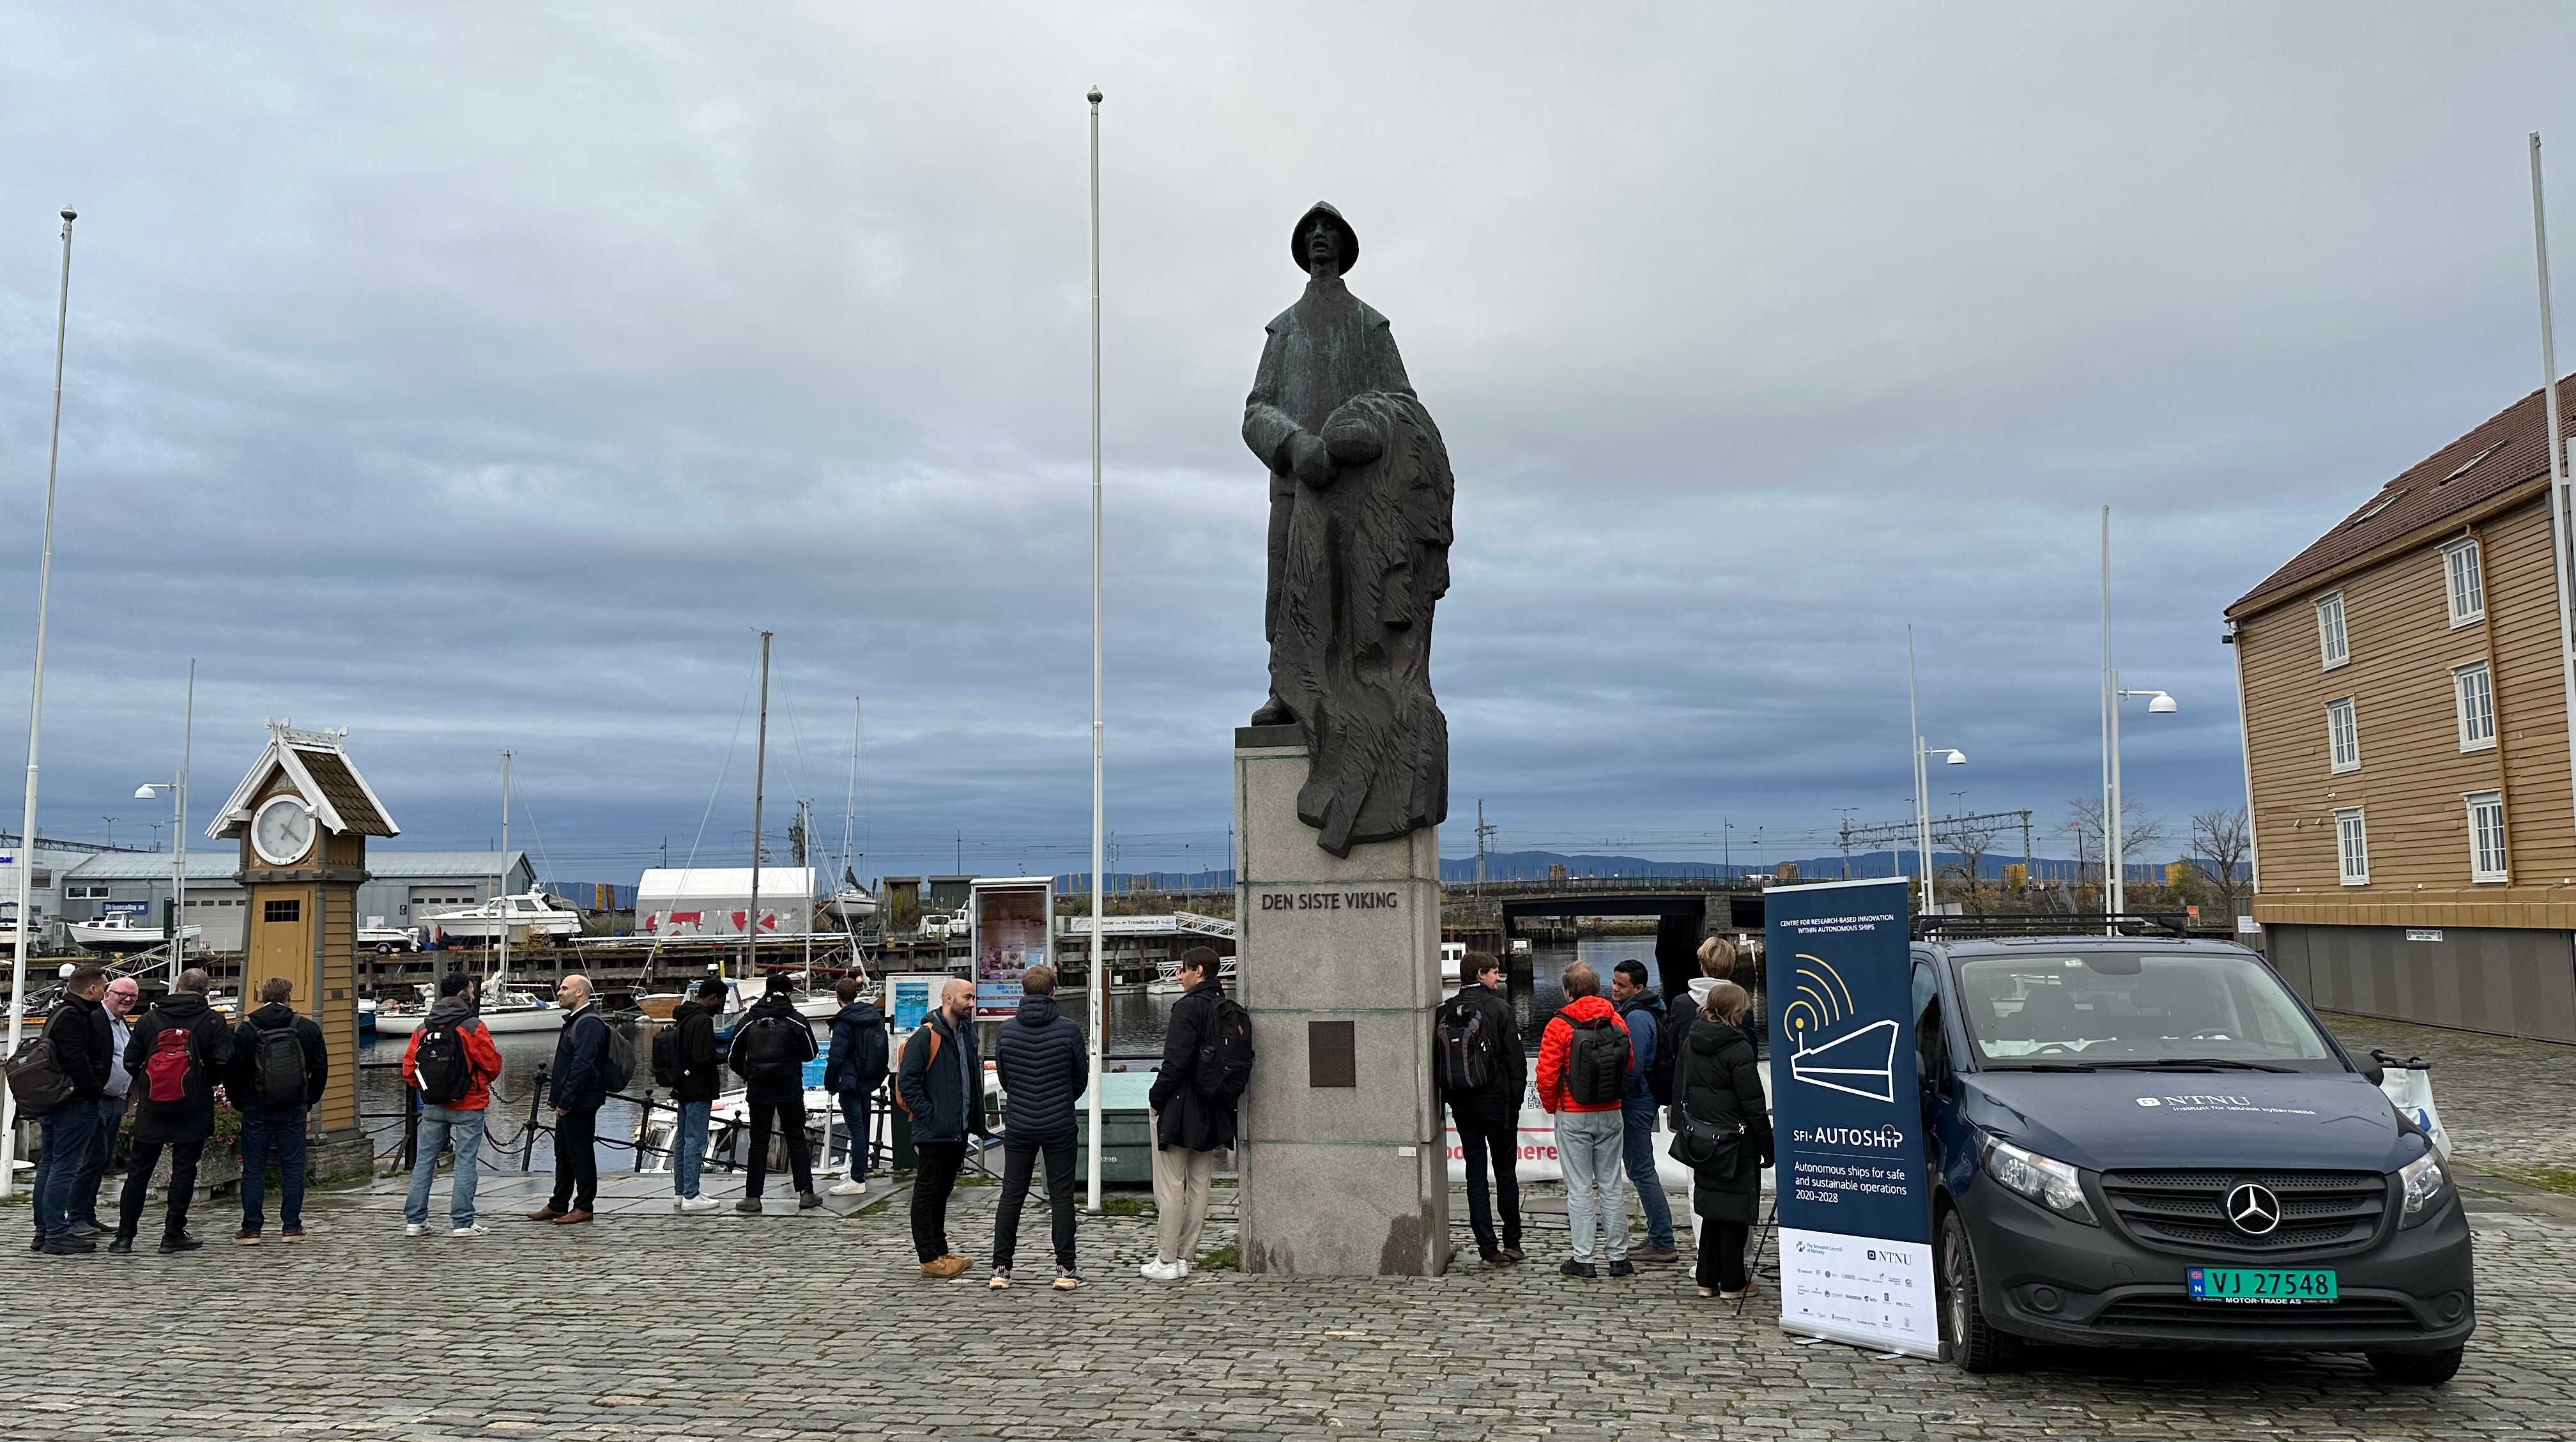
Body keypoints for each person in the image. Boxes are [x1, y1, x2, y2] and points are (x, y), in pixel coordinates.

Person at [111, 968, 234, 1255]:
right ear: (205, 992)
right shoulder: (212, 1021)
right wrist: (203, 1082)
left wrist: (149, 1084)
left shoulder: (149, 1019)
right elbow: (223, 1061)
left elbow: (131, 1061)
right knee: (184, 1171)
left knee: (139, 1173)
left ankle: (124, 1238)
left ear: (177, 987)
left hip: (153, 1107)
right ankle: (172, 1235)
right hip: (193, 1106)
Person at [988, 963, 1086, 1291]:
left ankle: (1001, 1268)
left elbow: (1004, 1078)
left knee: (1011, 1195)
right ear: (1053, 991)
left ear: (1023, 992)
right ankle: (1065, 1268)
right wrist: (1061, 1099)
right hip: (1059, 1122)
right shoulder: (1069, 1029)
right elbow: (1079, 1079)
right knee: (1061, 1196)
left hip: (1020, 1123)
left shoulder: (1006, 1031)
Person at [1144, 946, 1238, 1281]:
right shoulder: (1226, 1007)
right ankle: (1185, 1256)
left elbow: (1175, 1063)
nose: (1178, 976)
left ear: (1199, 971)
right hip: (1214, 1107)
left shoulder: (1187, 1008)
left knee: (1171, 1186)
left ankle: (1167, 1260)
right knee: (1200, 1185)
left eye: (1183, 970)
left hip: (1181, 1107)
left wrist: (1155, 1099)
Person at [1535, 961, 1630, 1278]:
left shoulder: (1559, 1026)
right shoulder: (1615, 1019)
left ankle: (1584, 1259)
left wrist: (1554, 1108)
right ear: (1597, 988)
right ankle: (1619, 1258)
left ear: (1566, 991)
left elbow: (1547, 1075)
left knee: (1578, 1188)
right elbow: (1628, 1063)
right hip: (1612, 1110)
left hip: (1574, 1113)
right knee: (1612, 1185)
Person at [1682, 980, 1773, 1300]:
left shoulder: (1693, 1040)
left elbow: (1686, 1086)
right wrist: (1767, 1145)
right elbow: (1753, 1103)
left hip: (1705, 1137)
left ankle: (1707, 1278)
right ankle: (1733, 1282)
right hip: (1737, 1139)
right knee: (1734, 1210)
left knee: (1712, 1209)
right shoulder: (1738, 1047)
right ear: (1737, 1011)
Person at [896, 977, 989, 1278]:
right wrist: (930, 1115)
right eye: (967, 998)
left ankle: (940, 1249)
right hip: (936, 1130)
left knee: (943, 1190)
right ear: (949, 999)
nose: (972, 1004)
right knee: (928, 1192)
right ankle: (928, 1257)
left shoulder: (964, 1034)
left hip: (957, 1129)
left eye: (973, 998)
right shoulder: (927, 1036)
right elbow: (907, 1082)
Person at [400, 972, 505, 1237]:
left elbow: (409, 1070)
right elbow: (492, 1065)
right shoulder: (472, 1027)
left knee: (424, 1162)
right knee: (466, 1162)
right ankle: (463, 1223)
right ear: (463, 995)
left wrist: (429, 1089)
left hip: (434, 1105)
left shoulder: (423, 1028)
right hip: (469, 1103)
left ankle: (415, 1222)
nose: (473, 995)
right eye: (471, 991)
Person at [1439, 951, 1525, 1267]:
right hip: (1497, 1103)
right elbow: (1516, 1062)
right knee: (1505, 1173)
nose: (1498, 978)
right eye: (1494, 973)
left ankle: (1487, 1248)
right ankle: (1513, 1242)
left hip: (1463, 1104)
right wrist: (1513, 1103)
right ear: (1479, 974)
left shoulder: (1445, 1010)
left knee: (1475, 1174)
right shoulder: (1499, 1008)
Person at [230, 976, 328, 1245]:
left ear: (262, 997)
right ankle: (291, 1227)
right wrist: (308, 1099)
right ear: (289, 997)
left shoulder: (247, 1030)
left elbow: (235, 1072)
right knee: (293, 1167)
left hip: (256, 1108)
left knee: (253, 1168)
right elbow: (320, 1069)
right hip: (293, 1106)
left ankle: (251, 1229)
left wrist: (241, 1102)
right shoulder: (306, 1028)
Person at [30, 965, 111, 1255]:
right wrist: (93, 1092)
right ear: (91, 989)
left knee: (50, 1166)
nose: (105, 992)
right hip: (74, 1103)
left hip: (54, 1101)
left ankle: (44, 1230)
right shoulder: (77, 1017)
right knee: (64, 1167)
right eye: (103, 987)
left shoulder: (59, 1012)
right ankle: (55, 1232)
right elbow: (77, 1060)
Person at [728, 972, 822, 1213]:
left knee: (758, 1142)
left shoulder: (749, 1019)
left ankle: (753, 1197)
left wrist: (749, 1074)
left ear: (767, 990)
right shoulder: (796, 1020)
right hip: (790, 1089)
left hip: (759, 1090)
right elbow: (811, 1052)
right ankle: (806, 1193)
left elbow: (732, 1057)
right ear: (789, 992)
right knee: (796, 1139)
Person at [1609, 959, 1678, 1265]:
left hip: (1637, 1100)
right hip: (1644, 1097)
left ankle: (1663, 1240)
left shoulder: (1636, 1018)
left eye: (1621, 985)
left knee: (1642, 1170)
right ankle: (1657, 1236)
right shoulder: (1648, 1009)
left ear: (1638, 988)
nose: (1614, 989)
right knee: (1641, 1169)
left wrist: (1614, 1091)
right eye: (1614, 982)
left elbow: (1633, 1066)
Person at [529, 974, 607, 1225]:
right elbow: (566, 1064)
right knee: (563, 1152)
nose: (559, 992)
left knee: (580, 1153)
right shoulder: (575, 1020)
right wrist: (557, 1099)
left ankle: (584, 1206)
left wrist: (566, 1101)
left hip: (581, 1101)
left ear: (581, 993)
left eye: (565, 988)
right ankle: (558, 1203)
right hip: (570, 1100)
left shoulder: (589, 1023)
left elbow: (581, 1066)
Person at [67, 974, 138, 1241]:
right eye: (122, 994)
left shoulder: (123, 1024)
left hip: (116, 1100)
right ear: (107, 994)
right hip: (97, 1099)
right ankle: (75, 1216)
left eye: (133, 996)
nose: (128, 999)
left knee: (102, 1160)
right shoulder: (96, 1019)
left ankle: (88, 1213)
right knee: (88, 1160)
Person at [822, 976, 888, 1197]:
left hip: (849, 1081)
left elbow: (836, 1057)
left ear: (838, 997)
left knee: (856, 1129)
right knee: (864, 1126)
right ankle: (857, 1169)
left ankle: (857, 1178)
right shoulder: (870, 1017)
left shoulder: (844, 1023)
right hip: (868, 1078)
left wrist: (830, 1083)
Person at [667, 976, 726, 1213]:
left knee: (682, 1140)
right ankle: (692, 1194)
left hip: (683, 1085)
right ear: (712, 998)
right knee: (696, 1141)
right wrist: (725, 1055)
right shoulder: (702, 1020)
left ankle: (681, 1192)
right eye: (721, 1000)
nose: (722, 1005)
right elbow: (703, 1057)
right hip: (699, 1087)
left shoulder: (684, 1017)